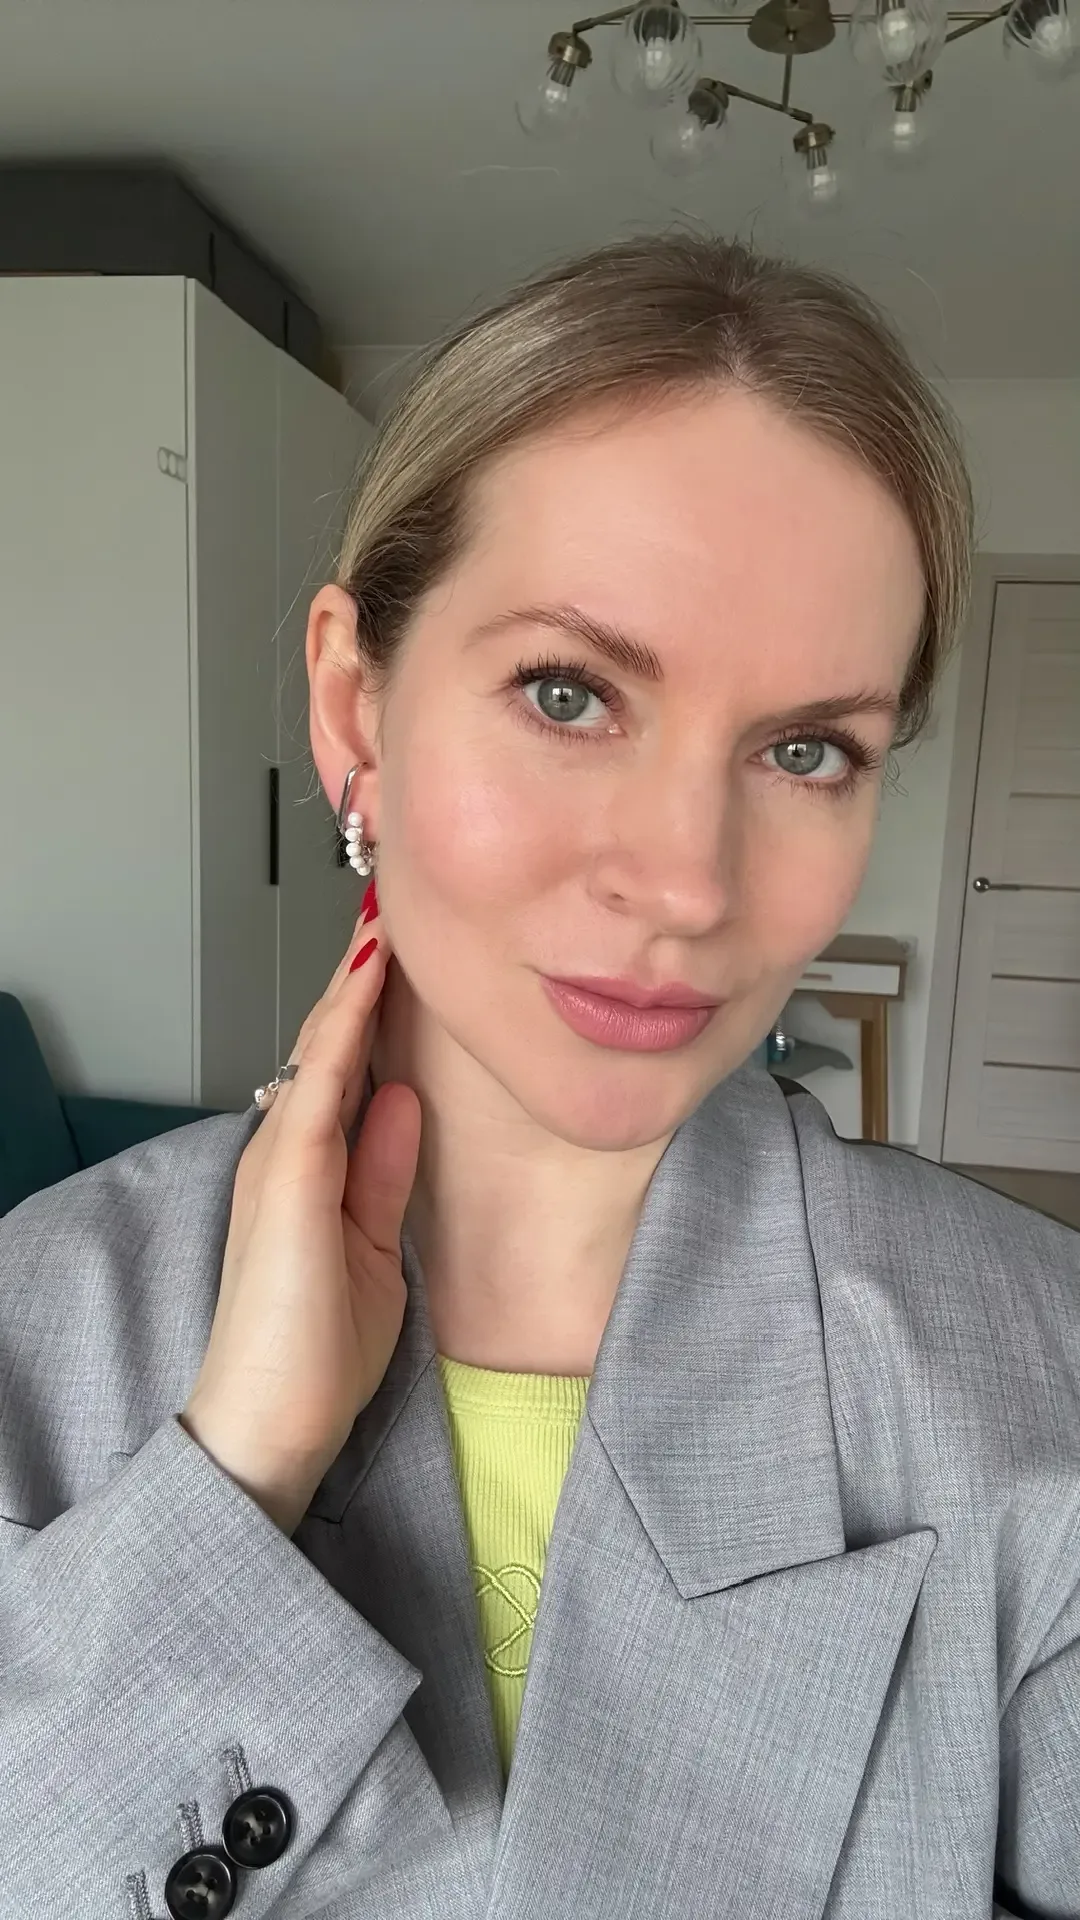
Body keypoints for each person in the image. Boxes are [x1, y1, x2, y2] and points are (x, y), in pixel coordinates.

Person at [0, 233, 1077, 1920]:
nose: (689, 882)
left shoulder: (1035, 1374)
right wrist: (239, 1473)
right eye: (570, 695)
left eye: (808, 750)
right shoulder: (36, 1332)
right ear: (355, 710)